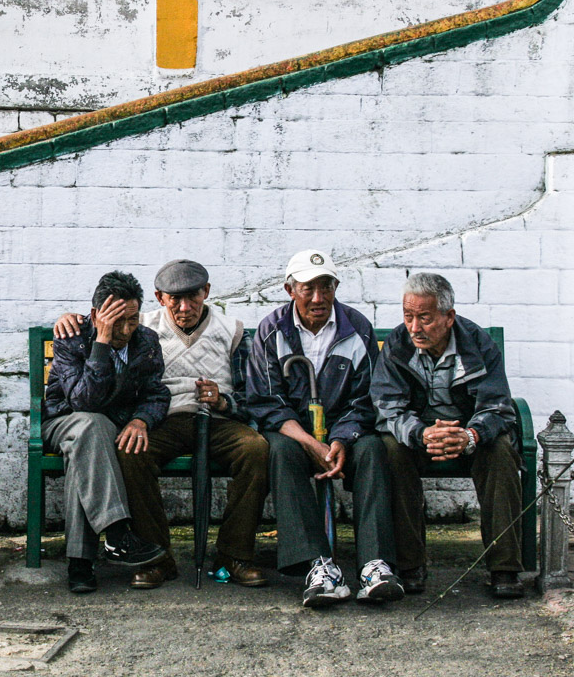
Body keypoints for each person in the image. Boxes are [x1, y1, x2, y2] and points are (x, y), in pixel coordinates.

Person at [56, 260, 269, 589]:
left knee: (256, 448)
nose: (184, 308)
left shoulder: (230, 330)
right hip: (163, 421)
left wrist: (224, 401)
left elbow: (250, 395)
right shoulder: (141, 324)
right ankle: (156, 559)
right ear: (160, 297)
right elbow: (91, 392)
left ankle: (234, 555)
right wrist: (84, 326)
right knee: (129, 451)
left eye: (193, 298)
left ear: (206, 292)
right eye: (174, 299)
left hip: (214, 419)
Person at [247, 250, 403, 607]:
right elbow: (266, 401)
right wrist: (308, 442)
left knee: (374, 449)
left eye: (326, 287)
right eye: (308, 288)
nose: (318, 298)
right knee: (280, 452)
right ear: (290, 290)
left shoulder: (356, 327)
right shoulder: (272, 331)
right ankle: (318, 566)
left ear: (335, 288)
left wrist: (339, 439)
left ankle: (375, 566)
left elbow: (366, 398)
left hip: (344, 431)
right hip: (292, 431)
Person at [374, 273, 524, 598]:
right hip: (418, 435)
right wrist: (422, 433)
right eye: (408, 316)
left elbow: (498, 405)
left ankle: (504, 568)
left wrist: (470, 435)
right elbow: (387, 407)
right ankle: (410, 565)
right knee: (390, 449)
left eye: (425, 318)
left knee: (500, 450)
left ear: (448, 317)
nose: (415, 327)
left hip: (468, 433)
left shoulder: (478, 342)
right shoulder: (398, 345)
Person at [42, 270, 169, 593]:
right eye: (118, 321)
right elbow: (84, 401)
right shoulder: (72, 337)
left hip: (103, 432)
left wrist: (141, 420)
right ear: (98, 315)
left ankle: (80, 563)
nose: (127, 329)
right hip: (64, 420)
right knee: (92, 425)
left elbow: (156, 393)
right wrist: (100, 342)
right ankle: (116, 532)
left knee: (87, 450)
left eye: (133, 319)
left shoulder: (146, 340)